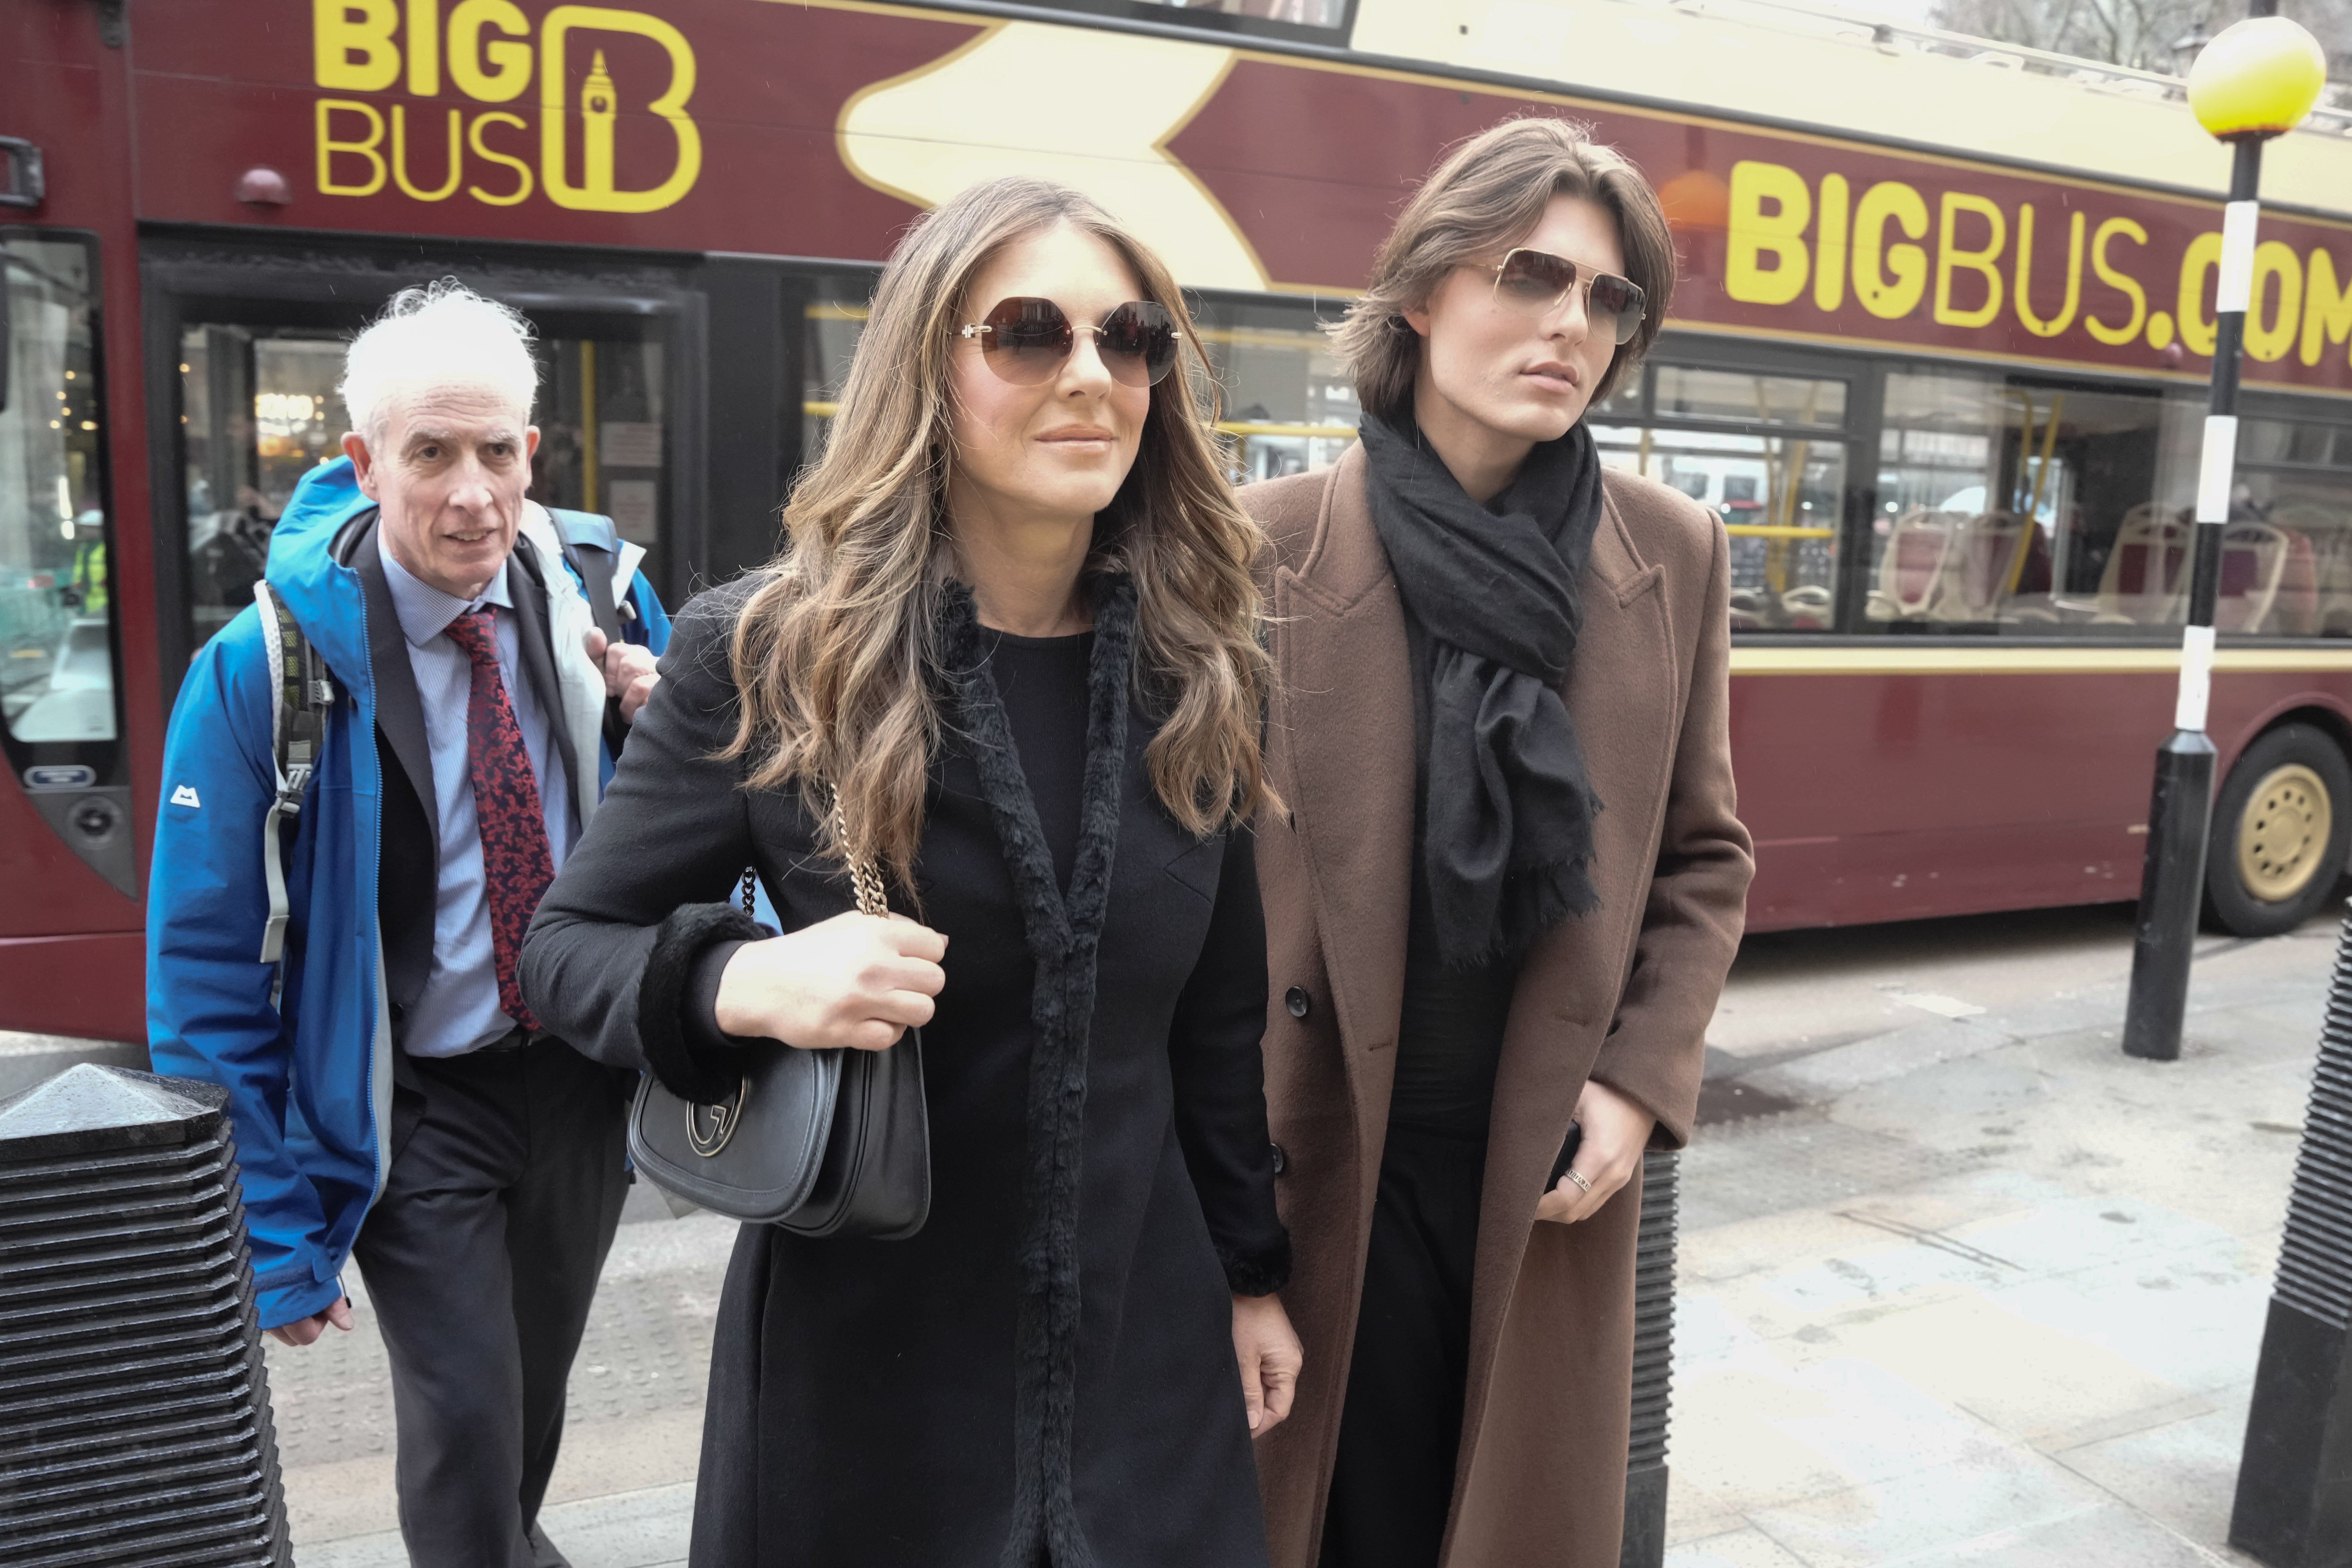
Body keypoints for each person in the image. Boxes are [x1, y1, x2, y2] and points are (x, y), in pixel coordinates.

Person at [518, 176, 1301, 1568]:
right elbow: (565, 949)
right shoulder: (774, 654)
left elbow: (1213, 1025)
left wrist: (1251, 1277)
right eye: (1028, 333)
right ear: (926, 367)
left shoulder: (1200, 670)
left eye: (1129, 338)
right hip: (865, 1403)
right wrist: (747, 981)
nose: (1090, 375)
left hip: (1147, 1375)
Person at [1242, 118, 1755, 1568]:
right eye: (1529, 274)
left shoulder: (1671, 550)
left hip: (1538, 1164)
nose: (1570, 322)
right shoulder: (1256, 547)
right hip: (1311, 1151)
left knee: (1494, 1518)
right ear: (1420, 292)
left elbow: (1705, 858)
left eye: (1607, 297)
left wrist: (1640, 1081)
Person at [146, 281, 670, 1568]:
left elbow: (729, 823)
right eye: (430, 453)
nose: (472, 494)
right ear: (366, 462)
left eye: (496, 451)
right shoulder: (263, 666)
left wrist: (671, 728)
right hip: (416, 1106)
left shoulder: (607, 601)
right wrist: (271, 1229)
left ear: (532, 453)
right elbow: (204, 970)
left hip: (579, 1081)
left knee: (527, 1412)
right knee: (469, 1423)